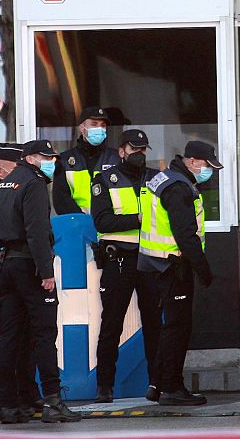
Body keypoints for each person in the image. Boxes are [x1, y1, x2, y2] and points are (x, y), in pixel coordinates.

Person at [0, 140, 81, 423]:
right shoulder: (34, 184)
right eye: (45, 156)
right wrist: (46, 272)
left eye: (52, 156)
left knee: (9, 336)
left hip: (6, 264)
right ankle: (53, 400)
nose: (50, 161)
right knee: (44, 334)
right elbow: (37, 231)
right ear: (29, 158)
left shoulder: (4, 184)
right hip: (29, 265)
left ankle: (6, 403)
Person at [137, 141, 222, 406]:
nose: (209, 171)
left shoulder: (163, 178)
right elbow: (185, 234)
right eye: (207, 165)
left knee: (168, 328)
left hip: (153, 264)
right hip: (173, 265)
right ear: (193, 162)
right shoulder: (178, 188)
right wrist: (203, 269)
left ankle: (157, 384)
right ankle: (172, 388)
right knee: (177, 328)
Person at [91, 130, 162, 403]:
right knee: (111, 324)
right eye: (134, 149)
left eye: (143, 149)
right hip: (119, 259)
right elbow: (103, 222)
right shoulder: (104, 180)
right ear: (121, 151)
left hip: (150, 259)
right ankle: (104, 387)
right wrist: (140, 219)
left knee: (155, 325)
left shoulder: (156, 178)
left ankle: (158, 384)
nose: (140, 154)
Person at [0, 142, 43, 419]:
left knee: (24, 336)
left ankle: (24, 393)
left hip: (13, 268)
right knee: (12, 336)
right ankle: (7, 399)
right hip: (7, 269)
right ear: (1, 169)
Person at [53, 106, 121, 214]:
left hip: (111, 226)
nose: (99, 129)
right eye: (94, 124)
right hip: (79, 226)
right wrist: (81, 221)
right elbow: (61, 200)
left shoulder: (117, 158)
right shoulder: (64, 160)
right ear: (82, 128)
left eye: (103, 125)